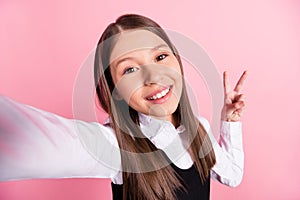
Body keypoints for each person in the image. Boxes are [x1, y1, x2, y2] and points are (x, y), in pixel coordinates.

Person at [0, 14, 247, 200]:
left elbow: (232, 175)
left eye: (160, 57)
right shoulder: (115, 146)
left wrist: (230, 122)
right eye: (130, 69)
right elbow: (28, 140)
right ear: (115, 91)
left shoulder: (199, 129)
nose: (153, 76)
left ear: (177, 62)